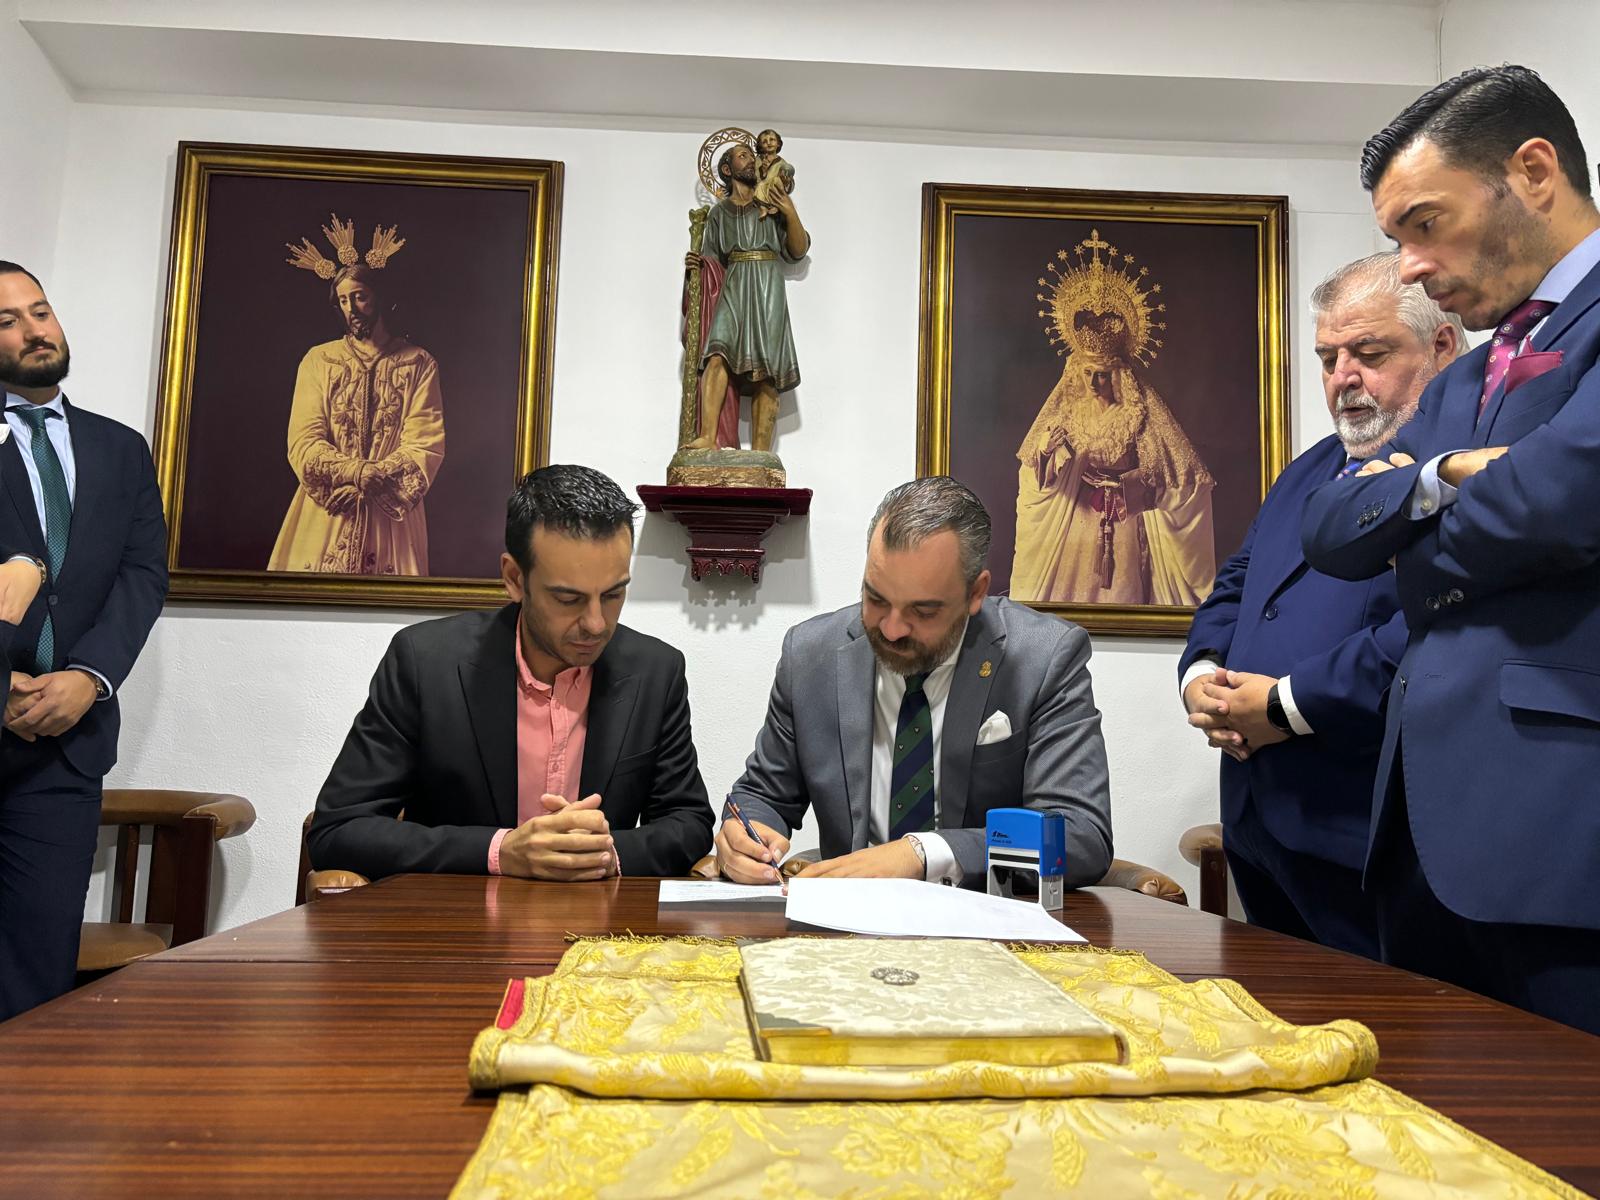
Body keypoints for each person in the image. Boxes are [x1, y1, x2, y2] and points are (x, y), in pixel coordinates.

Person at [1302, 66, 1600, 1033]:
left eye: (1423, 225)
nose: (1412, 267)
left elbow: (1557, 502)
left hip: (1562, 836)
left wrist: (1414, 546)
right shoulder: (1465, 376)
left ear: (1534, 170)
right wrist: (1436, 478)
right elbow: (1334, 531)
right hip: (1415, 838)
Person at [1180, 252, 1462, 957]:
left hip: (1368, 836)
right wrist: (1203, 676)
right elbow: (1240, 582)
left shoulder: (1467, 468)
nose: (1343, 378)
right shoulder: (1309, 468)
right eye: (1328, 357)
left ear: (1441, 347)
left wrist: (1286, 705)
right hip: (1258, 826)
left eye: (1369, 353)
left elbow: (1436, 632)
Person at [308, 464, 713, 881]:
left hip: (602, 934)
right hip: (458, 928)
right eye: (568, 598)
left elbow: (688, 823)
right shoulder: (424, 663)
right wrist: (501, 850)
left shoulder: (656, 670)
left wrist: (603, 854)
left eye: (613, 594)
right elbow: (339, 831)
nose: (596, 623)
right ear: (514, 579)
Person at [717, 476, 1112, 888]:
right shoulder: (811, 655)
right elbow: (763, 793)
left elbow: (1080, 834)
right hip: (846, 931)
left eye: (922, 611)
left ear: (976, 592)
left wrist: (922, 853)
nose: (890, 629)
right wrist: (745, 834)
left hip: (987, 928)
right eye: (876, 599)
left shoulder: (1043, 658)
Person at [0, 261, 169, 1021]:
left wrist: (89, 677)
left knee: (39, 965)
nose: (35, 331)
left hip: (66, 749)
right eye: (7, 321)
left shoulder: (121, 449)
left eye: (40, 311)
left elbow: (142, 576)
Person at [1011, 230, 1216, 605]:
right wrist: (1047, 452)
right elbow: (1038, 474)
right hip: (1076, 519)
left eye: (1103, 373)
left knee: (1121, 593)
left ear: (1118, 373)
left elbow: (1173, 471)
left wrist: (1133, 486)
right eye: (1088, 372)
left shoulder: (1139, 411)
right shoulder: (1068, 409)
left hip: (1123, 519)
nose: (1095, 381)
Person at [273, 216, 445, 575]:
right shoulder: (319, 360)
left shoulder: (418, 362)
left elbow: (424, 443)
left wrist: (373, 480)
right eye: (344, 300)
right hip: (329, 505)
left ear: (379, 297)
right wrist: (354, 473)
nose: (352, 309)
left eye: (360, 297)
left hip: (391, 516)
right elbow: (304, 440)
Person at [679, 141, 810, 454]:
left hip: (767, 284)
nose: (751, 159)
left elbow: (798, 249)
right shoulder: (719, 213)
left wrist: (789, 210)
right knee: (716, 355)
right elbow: (712, 259)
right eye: (742, 156)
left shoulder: (772, 200)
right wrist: (696, 266)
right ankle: (708, 437)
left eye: (751, 154)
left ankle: (762, 454)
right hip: (735, 283)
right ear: (727, 169)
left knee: (768, 371)